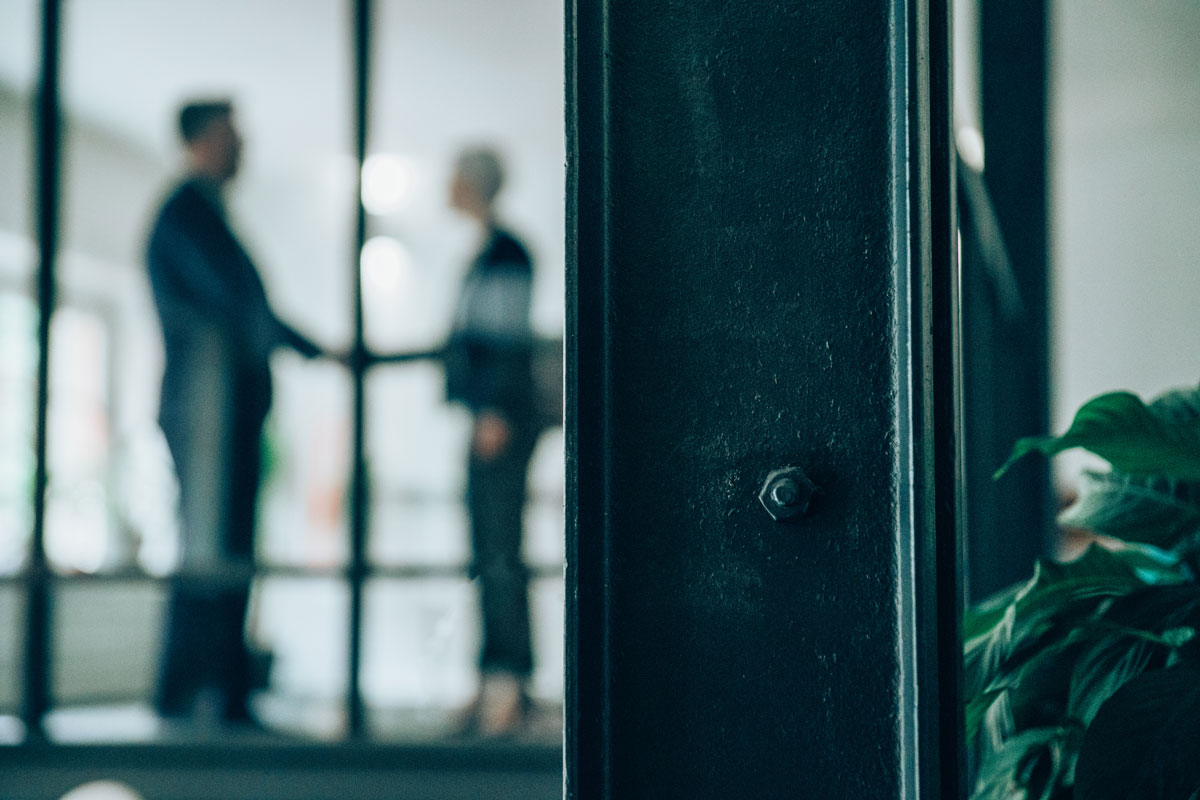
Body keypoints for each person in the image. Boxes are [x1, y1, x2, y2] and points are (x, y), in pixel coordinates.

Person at [145, 99, 322, 727]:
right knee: (211, 542)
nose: (241, 149)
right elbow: (239, 309)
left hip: (226, 410)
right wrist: (312, 347)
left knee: (222, 541)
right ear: (198, 141)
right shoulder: (187, 217)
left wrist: (310, 347)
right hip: (207, 412)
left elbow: (249, 310)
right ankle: (203, 691)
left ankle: (212, 690)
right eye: (229, 137)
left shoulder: (205, 218)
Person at [443, 147, 538, 736]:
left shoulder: (505, 253)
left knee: (498, 545)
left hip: (499, 419)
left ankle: (508, 682)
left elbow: (505, 336)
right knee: (488, 546)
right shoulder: (492, 252)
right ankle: (495, 678)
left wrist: (495, 407)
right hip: (489, 416)